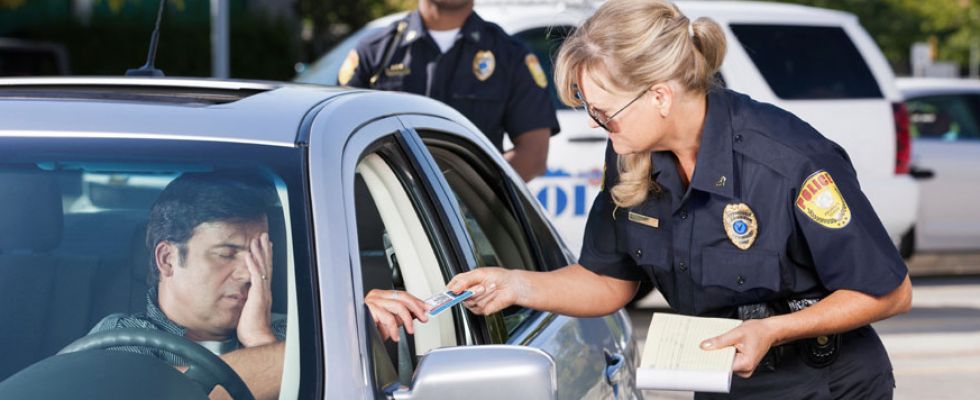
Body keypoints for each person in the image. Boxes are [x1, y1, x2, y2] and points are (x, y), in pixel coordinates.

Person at [446, 1, 912, 399]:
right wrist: (516, 286)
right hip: (723, 380)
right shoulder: (631, 154)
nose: (595, 124)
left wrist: (773, 330)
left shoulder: (786, 159)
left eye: (603, 113)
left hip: (825, 383)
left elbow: (889, 292)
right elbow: (609, 281)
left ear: (661, 96)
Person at [89, 171, 427, 400]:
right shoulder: (121, 340)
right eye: (226, 254)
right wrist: (345, 335)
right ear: (167, 259)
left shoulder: (294, 334)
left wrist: (262, 339)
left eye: (258, 255)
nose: (248, 274)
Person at [337, 0, 560, 181]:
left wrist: (469, 194)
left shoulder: (510, 56)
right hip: (386, 214)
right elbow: (338, 139)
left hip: (471, 225)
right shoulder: (376, 53)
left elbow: (534, 155)